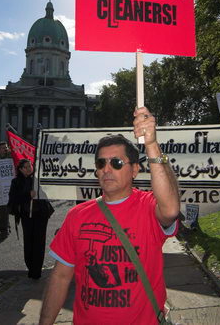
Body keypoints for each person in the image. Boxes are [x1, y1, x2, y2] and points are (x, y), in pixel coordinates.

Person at [39, 107, 180, 324]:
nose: (106, 169)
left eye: (116, 163)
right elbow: (60, 276)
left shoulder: (148, 207)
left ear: (134, 170)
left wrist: (151, 145)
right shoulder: (77, 216)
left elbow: (170, 209)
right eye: (100, 163)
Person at [8, 159, 52, 279]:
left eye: (30, 166)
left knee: (39, 242)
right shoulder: (16, 182)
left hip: (41, 215)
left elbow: (48, 192)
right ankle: (31, 266)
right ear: (21, 169)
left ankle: (36, 270)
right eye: (26, 167)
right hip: (27, 216)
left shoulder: (37, 179)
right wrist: (28, 195)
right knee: (29, 241)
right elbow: (13, 200)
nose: (29, 168)